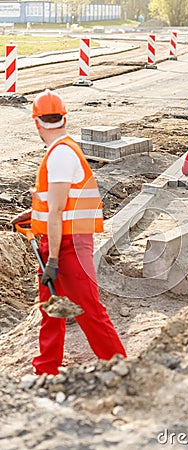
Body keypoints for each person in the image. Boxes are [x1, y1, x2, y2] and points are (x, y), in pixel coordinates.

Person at [12, 89, 126, 375]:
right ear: (64, 118)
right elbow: (54, 204)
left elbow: (57, 210)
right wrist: (33, 217)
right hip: (56, 241)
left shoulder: (61, 154)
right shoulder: (60, 150)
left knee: (88, 308)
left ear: (36, 122)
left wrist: (52, 262)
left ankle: (119, 366)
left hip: (69, 246)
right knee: (52, 310)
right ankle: (46, 369)